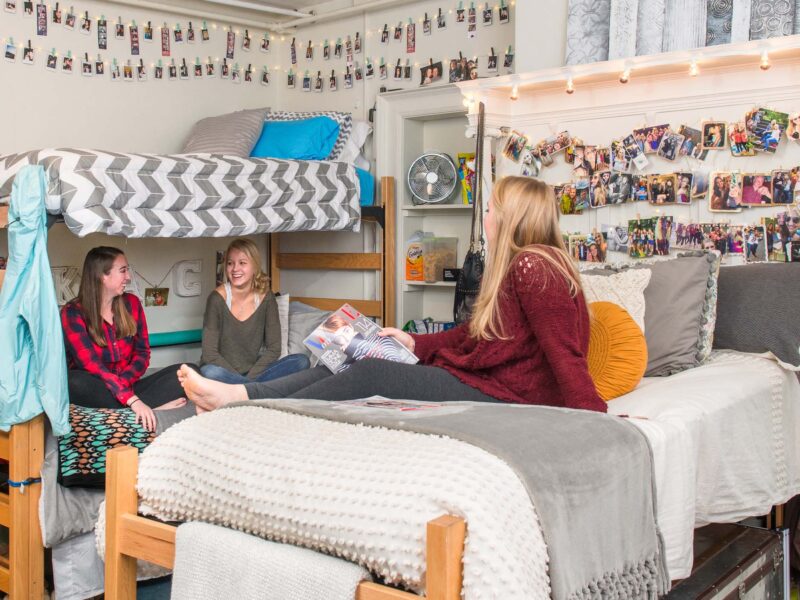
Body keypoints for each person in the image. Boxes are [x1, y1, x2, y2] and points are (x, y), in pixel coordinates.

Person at [177, 177, 606, 414]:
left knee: (372, 373)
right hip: (492, 383)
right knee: (346, 357)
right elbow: (474, 336)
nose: (487, 215)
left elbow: (565, 353)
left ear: (512, 217)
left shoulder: (534, 266)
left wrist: (593, 419)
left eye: (492, 208)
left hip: (505, 394)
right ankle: (242, 397)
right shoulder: (525, 265)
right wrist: (412, 342)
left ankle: (252, 405)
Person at [61, 247, 192, 431]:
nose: (128, 277)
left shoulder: (132, 304)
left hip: (128, 386)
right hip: (98, 389)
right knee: (72, 381)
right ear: (102, 276)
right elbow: (91, 365)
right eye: (123, 270)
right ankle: (144, 412)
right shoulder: (73, 312)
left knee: (189, 372)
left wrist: (125, 387)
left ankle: (127, 413)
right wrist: (133, 400)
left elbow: (142, 353)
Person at [200, 239, 310, 385]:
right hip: (222, 373)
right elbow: (209, 355)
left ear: (255, 266)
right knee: (209, 372)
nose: (235, 269)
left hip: (253, 373)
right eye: (230, 263)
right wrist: (246, 383)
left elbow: (274, 349)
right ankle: (254, 390)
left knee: (301, 361)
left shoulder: (267, 298)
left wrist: (249, 379)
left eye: (242, 263)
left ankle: (247, 390)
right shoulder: (216, 299)